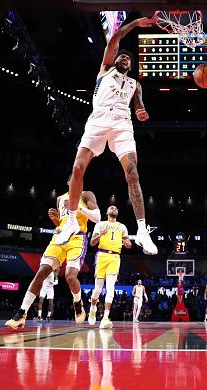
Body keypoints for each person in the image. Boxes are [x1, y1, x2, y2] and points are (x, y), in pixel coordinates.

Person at [54, 16, 158, 257]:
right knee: (78, 169)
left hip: (122, 123)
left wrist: (141, 111)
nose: (123, 58)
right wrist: (134, 24)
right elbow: (115, 38)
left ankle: (142, 230)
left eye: (127, 58)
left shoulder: (135, 84)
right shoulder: (105, 70)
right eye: (121, 56)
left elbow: (139, 105)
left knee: (132, 172)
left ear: (131, 66)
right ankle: (70, 221)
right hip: (98, 119)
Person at [5, 186, 100, 329]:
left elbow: (97, 218)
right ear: (70, 182)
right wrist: (55, 219)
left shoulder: (86, 195)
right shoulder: (60, 198)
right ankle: (22, 313)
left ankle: (77, 301)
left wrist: (78, 207)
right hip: (59, 236)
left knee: (70, 276)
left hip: (77, 238)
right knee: (42, 271)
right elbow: (61, 222)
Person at [88, 205, 132, 329]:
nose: (113, 207)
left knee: (111, 287)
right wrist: (100, 235)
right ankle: (92, 308)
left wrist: (128, 243)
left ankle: (106, 317)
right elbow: (92, 243)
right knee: (97, 289)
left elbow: (128, 244)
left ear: (117, 213)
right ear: (107, 212)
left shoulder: (122, 226)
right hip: (102, 255)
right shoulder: (100, 224)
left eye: (115, 207)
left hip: (115, 257)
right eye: (111, 207)